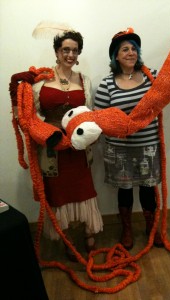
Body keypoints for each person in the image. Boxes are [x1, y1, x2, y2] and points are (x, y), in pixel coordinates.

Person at [9, 25, 103, 261]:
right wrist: (16, 92)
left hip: (78, 146)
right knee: (59, 193)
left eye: (75, 50)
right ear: (57, 52)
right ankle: (67, 237)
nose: (70, 55)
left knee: (84, 189)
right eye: (65, 50)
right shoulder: (41, 81)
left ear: (78, 54)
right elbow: (29, 115)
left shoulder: (85, 80)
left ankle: (89, 233)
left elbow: (89, 111)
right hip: (52, 147)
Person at [94, 28, 163, 250]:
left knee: (147, 189)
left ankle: (151, 228)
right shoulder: (107, 84)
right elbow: (100, 117)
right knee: (125, 191)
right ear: (116, 55)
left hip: (148, 146)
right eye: (125, 49)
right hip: (119, 150)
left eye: (134, 48)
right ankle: (127, 229)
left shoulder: (152, 76)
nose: (131, 52)